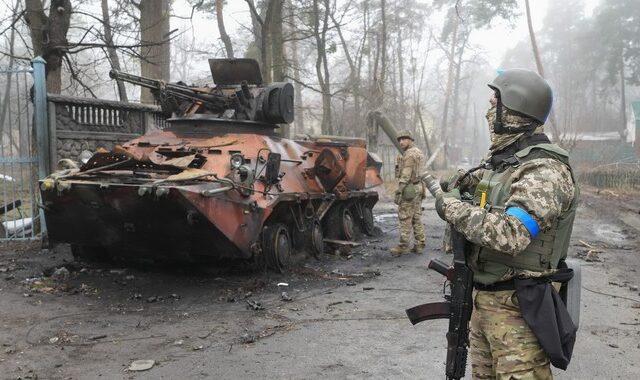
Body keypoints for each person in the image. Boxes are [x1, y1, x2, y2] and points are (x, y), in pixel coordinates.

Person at [434, 69, 579, 379]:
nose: (490, 108)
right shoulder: (505, 163)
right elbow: (486, 191)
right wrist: (462, 183)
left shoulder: (545, 170)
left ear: (515, 110)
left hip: (518, 311)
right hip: (485, 302)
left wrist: (453, 209)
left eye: (495, 101)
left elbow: (512, 234)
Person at [391, 130, 426, 255]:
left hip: (409, 189)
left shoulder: (410, 154)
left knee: (405, 217)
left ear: (411, 139)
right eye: (399, 139)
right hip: (418, 187)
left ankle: (403, 246)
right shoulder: (419, 152)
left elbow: (406, 174)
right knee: (416, 217)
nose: (401, 142)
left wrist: (399, 191)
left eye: (404, 139)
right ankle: (420, 244)